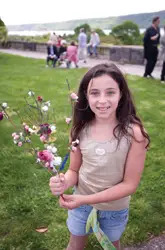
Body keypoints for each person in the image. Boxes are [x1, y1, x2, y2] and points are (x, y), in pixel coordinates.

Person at [49, 63, 150, 250]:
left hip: (114, 210)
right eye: (95, 93)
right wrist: (64, 182)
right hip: (80, 205)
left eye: (110, 92)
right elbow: (74, 170)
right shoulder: (79, 130)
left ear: (121, 94)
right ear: (86, 96)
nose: (102, 100)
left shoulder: (135, 134)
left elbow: (130, 185)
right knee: (75, 245)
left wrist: (84, 199)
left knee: (111, 246)